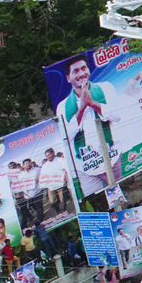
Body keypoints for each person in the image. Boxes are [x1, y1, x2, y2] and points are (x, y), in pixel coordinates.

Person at [56, 53, 120, 193]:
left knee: (122, 197)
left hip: (112, 158)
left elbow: (117, 115)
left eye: (84, 68)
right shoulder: (62, 106)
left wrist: (92, 103)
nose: (81, 74)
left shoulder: (105, 88)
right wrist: (82, 107)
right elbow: (67, 135)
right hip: (85, 167)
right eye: (75, 71)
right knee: (99, 207)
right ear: (68, 78)